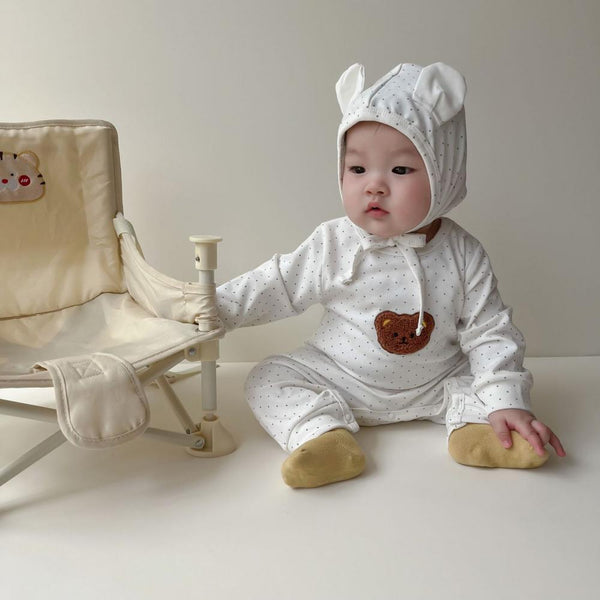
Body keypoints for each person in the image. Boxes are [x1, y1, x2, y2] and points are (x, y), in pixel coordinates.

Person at [216, 62, 566, 488]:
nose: (374, 186)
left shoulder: (462, 252)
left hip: (438, 383)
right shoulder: (335, 242)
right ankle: (322, 436)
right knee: (266, 378)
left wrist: (506, 400)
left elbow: (489, 331)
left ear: (444, 175)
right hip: (342, 378)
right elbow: (279, 284)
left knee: (485, 381)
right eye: (357, 169)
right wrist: (211, 308)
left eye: (400, 170)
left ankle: (483, 430)